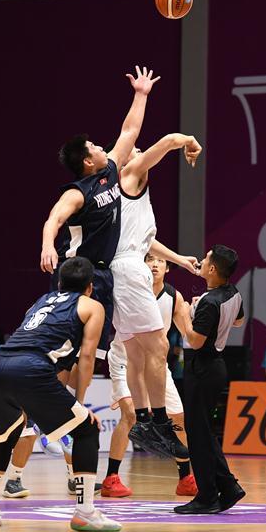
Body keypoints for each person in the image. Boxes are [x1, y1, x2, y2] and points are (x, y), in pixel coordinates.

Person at [0, 257, 120, 531]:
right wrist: (79, 403)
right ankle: (85, 512)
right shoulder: (92, 305)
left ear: (59, 283)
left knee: (5, 436)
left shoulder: (40, 301)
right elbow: (87, 357)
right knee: (87, 429)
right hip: (31, 368)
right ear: (90, 287)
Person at [39, 66, 159, 362]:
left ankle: (77, 392)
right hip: (76, 271)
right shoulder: (77, 193)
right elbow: (54, 219)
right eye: (92, 146)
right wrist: (47, 245)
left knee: (91, 352)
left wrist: (141, 94)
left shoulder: (110, 170)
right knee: (64, 350)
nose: (98, 145)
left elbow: (129, 132)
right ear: (87, 161)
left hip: (102, 274)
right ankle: (50, 388)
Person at [109, 131, 202, 461]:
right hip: (130, 270)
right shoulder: (130, 175)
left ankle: (144, 422)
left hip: (119, 270)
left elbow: (147, 241)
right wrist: (188, 140)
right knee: (160, 346)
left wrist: (179, 260)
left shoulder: (119, 196)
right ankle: (160, 422)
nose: (139, 151)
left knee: (136, 352)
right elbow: (166, 142)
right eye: (135, 150)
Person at [103, 254, 197, 498]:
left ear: (168, 268)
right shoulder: (127, 290)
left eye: (160, 261)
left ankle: (185, 478)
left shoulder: (174, 297)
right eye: (150, 259)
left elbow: (189, 336)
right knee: (131, 415)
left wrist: (195, 314)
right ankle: (111, 478)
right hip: (125, 360)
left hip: (156, 366)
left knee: (177, 417)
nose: (155, 264)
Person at [171, 245, 245, 514]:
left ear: (212, 269)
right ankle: (228, 486)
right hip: (215, 366)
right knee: (204, 433)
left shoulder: (210, 302)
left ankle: (207, 497)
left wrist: (183, 315)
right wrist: (202, 313)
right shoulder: (233, 293)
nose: (201, 261)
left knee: (198, 436)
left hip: (201, 368)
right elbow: (238, 321)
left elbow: (195, 341)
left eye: (205, 259)